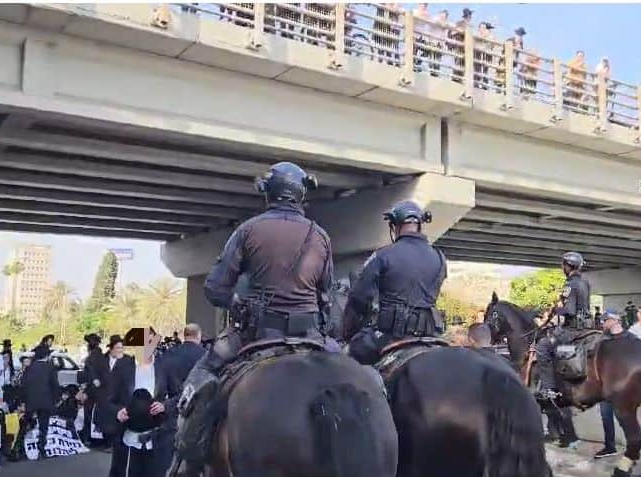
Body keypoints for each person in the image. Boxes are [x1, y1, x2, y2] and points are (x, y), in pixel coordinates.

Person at [174, 162, 333, 476]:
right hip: (311, 336)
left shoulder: (248, 230)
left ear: (269, 193)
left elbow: (215, 288)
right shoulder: (321, 236)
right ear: (301, 193)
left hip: (256, 334)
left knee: (202, 375)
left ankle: (185, 459)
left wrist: (237, 303)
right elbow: (326, 293)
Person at [344, 200, 447, 365]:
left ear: (395, 226)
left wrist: (349, 333)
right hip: (430, 335)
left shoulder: (383, 255)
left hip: (390, 335)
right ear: (420, 225)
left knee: (350, 358)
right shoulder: (439, 257)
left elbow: (359, 298)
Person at [107, 328, 180, 477]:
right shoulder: (123, 367)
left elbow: (179, 395)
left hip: (156, 440)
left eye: (151, 342)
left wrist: (164, 405)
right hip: (128, 440)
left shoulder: (163, 367)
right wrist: (118, 412)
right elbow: (108, 399)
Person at [535, 251, 590, 401]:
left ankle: (549, 389)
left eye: (563, 265)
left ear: (569, 266)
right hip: (586, 327)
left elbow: (569, 310)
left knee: (543, 347)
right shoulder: (585, 282)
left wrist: (555, 309)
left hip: (572, 329)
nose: (562, 268)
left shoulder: (570, 284)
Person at [595, 311, 628, 459]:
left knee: (623, 418)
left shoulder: (630, 338)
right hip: (605, 386)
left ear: (615, 321)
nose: (603, 323)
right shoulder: (603, 339)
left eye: (605, 321)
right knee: (606, 416)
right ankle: (610, 447)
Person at [20, 344, 59, 459]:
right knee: (43, 426)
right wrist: (56, 399)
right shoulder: (50, 367)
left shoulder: (30, 367)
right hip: (46, 401)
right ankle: (42, 450)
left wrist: (23, 401)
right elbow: (54, 385)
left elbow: (24, 385)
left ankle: (19, 447)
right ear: (47, 356)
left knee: (25, 423)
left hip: (31, 401)